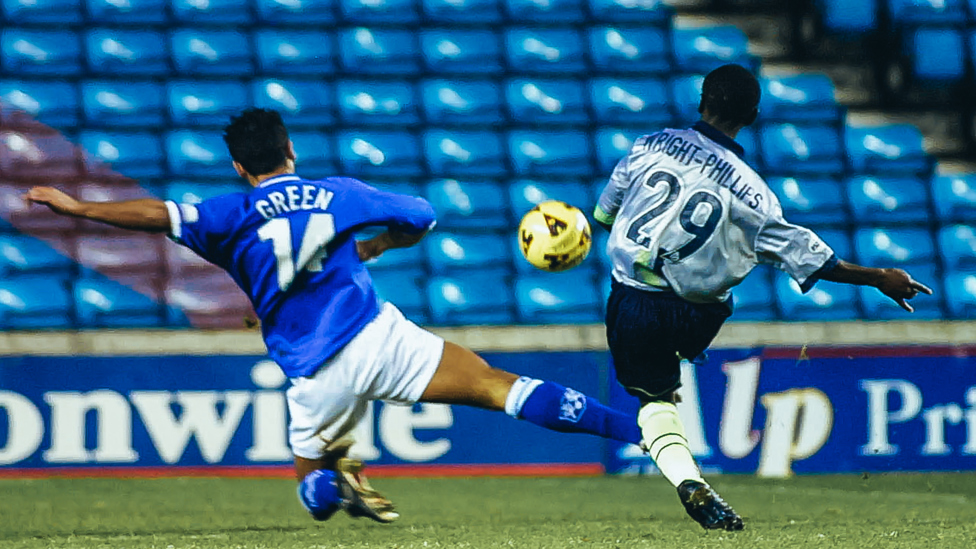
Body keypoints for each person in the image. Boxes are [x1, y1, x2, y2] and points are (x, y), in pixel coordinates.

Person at [27, 108, 642, 524]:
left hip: (313, 372)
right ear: (291, 151)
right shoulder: (337, 192)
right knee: (499, 387)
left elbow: (156, 215)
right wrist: (379, 244)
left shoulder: (227, 213)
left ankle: (335, 481)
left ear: (240, 168)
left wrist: (77, 207)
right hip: (376, 335)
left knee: (313, 494)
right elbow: (421, 215)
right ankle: (644, 433)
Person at [593, 63, 933, 531]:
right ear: (752, 115)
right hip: (696, 314)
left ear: (701, 102)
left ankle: (687, 479)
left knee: (654, 402)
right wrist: (879, 277)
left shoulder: (649, 145)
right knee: (734, 270)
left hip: (630, 300)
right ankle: (691, 347)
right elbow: (813, 258)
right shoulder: (755, 196)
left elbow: (605, 214)